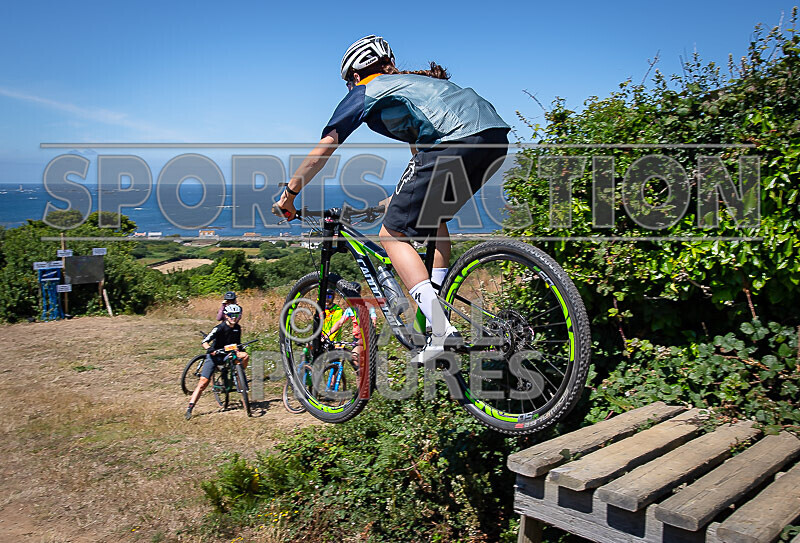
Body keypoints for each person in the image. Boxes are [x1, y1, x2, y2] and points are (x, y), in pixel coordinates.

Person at [274, 35, 509, 362]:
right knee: (433, 220)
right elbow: (420, 159)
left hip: (453, 142)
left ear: (355, 76)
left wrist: (289, 194)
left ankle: (439, 328)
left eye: (348, 83)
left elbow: (324, 149)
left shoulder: (367, 88)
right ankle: (434, 313)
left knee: (391, 236)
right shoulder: (412, 85)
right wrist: (391, 201)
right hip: (494, 138)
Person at [185, 303, 250, 420]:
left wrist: (239, 349)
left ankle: (239, 375)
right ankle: (190, 408)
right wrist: (210, 349)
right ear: (226, 316)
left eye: (236, 315)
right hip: (215, 356)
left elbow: (236, 343)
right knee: (203, 383)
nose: (233, 318)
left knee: (245, 356)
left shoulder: (237, 328)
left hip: (228, 354)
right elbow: (205, 341)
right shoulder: (219, 328)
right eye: (231, 315)